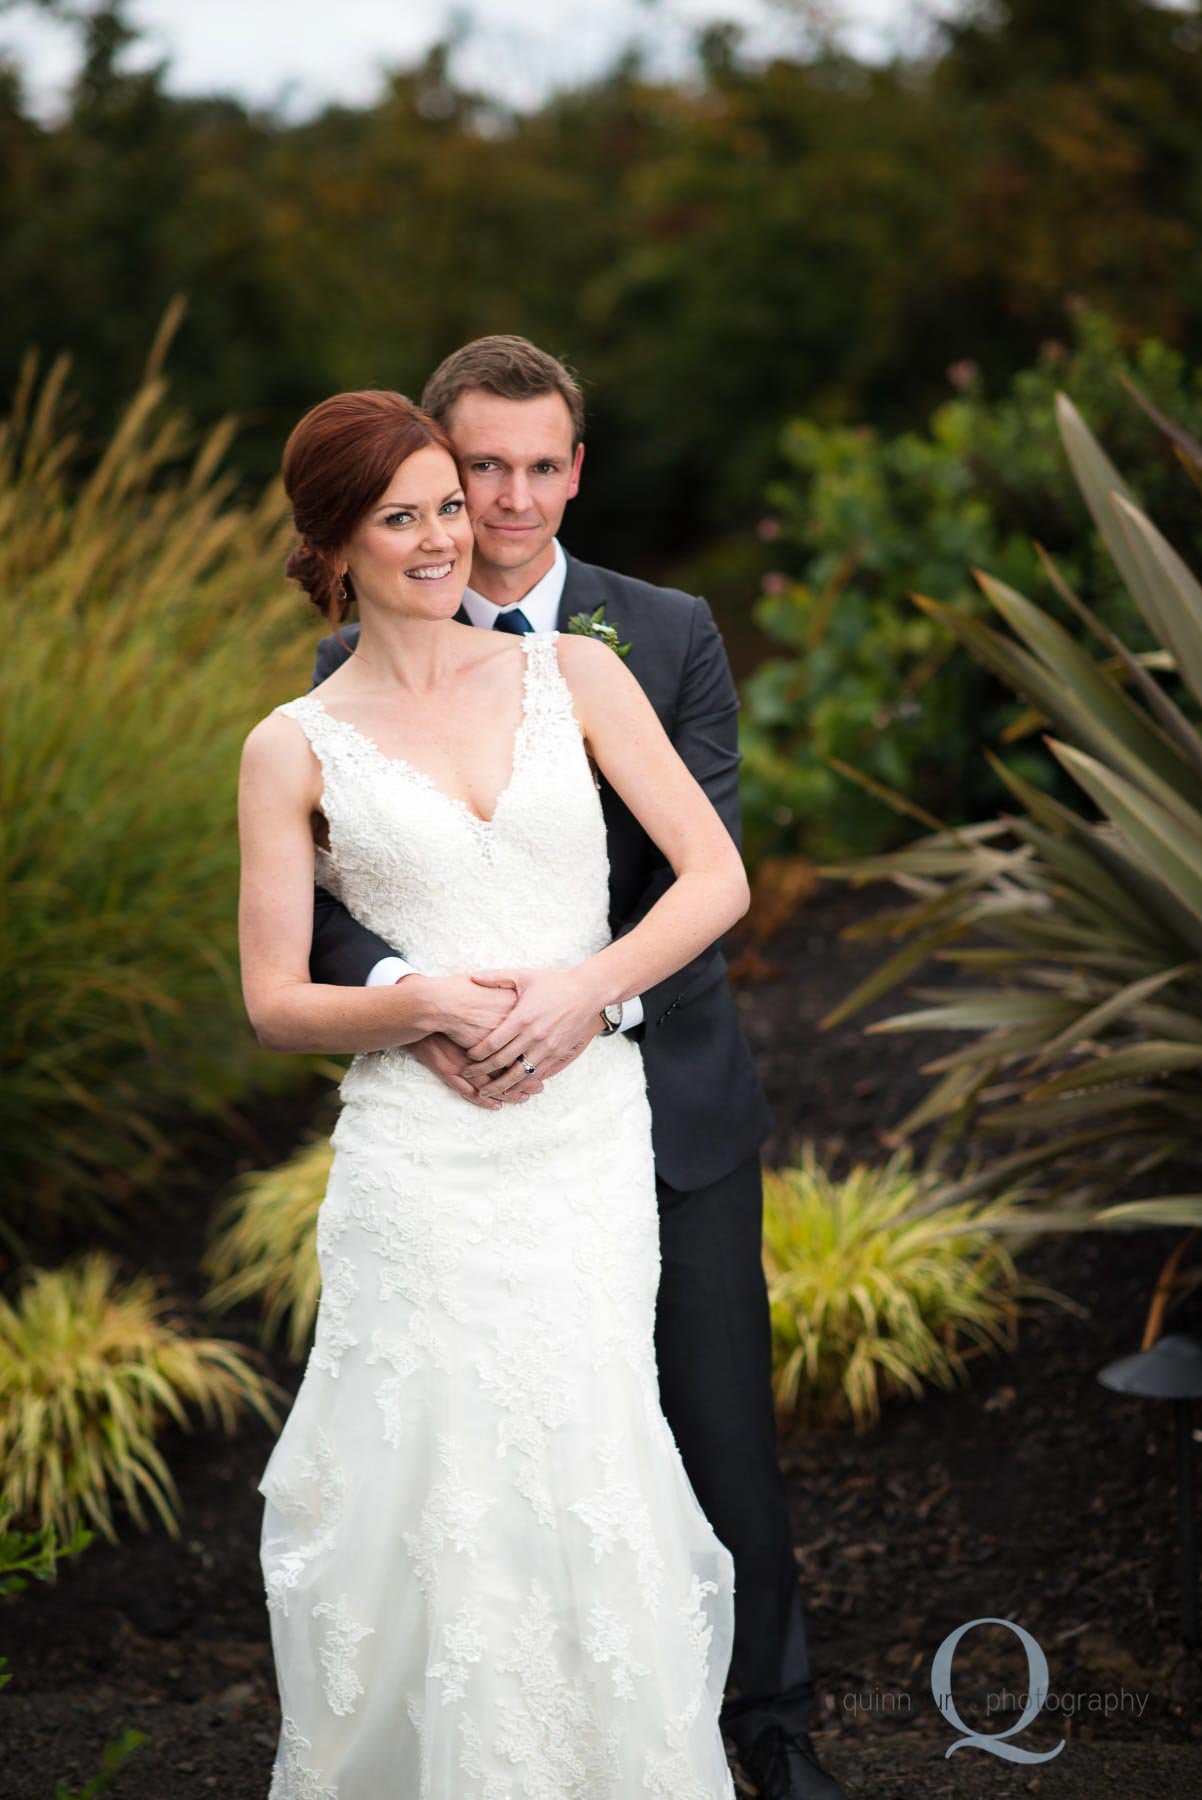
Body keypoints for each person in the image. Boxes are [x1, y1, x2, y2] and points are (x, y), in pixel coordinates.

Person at [305, 336, 846, 1800]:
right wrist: (429, 1008)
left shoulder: (660, 635)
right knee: (505, 1443)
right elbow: (334, 912)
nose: (511, 499)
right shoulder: (338, 672)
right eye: (481, 468)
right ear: (432, 470)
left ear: (578, 471)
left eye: (543, 466)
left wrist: (573, 1006)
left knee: (720, 1429)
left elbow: (700, 864)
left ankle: (770, 1734)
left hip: (659, 1094)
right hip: (458, 1105)